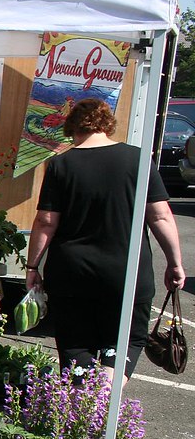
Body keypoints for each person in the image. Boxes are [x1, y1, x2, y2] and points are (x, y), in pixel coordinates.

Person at [26, 98, 186, 383]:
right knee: (125, 341)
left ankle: (83, 407)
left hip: (71, 271)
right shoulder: (136, 159)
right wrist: (175, 263)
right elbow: (161, 217)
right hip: (125, 271)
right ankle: (104, 400)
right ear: (107, 125)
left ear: (71, 127)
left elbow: (46, 221)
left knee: (75, 345)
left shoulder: (61, 165)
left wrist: (32, 266)